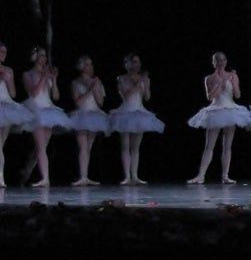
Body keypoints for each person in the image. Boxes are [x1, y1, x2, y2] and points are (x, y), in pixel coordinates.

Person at [187, 51, 251, 184]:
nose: (220, 62)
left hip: (230, 109)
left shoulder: (232, 75)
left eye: (223, 60)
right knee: (209, 145)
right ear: (213, 62)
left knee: (227, 145)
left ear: (226, 61)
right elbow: (209, 97)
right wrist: (220, 84)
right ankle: (201, 175)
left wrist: (233, 81)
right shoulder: (209, 78)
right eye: (217, 60)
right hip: (216, 109)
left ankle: (225, 176)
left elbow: (238, 95)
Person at [109, 53, 164, 185]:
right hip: (125, 112)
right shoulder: (121, 79)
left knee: (135, 147)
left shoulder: (144, 79)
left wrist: (145, 83)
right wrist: (139, 82)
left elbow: (147, 98)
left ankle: (135, 176)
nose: (136, 64)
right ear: (127, 64)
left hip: (139, 112)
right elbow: (126, 96)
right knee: (125, 145)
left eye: (137, 62)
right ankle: (127, 177)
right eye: (133, 62)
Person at [22, 47, 71, 187]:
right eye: (41, 55)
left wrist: (54, 80)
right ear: (35, 57)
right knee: (41, 146)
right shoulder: (28, 74)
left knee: (41, 147)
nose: (44, 58)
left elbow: (56, 96)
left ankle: (27, 171)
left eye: (45, 55)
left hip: (49, 111)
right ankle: (45, 178)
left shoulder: (48, 74)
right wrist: (43, 76)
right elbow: (34, 93)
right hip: (35, 110)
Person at [68, 55, 110, 186]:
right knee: (83, 146)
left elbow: (100, 102)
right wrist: (90, 89)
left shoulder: (97, 81)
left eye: (91, 64)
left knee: (89, 147)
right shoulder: (75, 82)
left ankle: (85, 176)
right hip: (81, 115)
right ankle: (82, 176)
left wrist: (95, 87)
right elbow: (78, 102)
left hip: (94, 115)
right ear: (81, 67)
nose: (91, 67)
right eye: (87, 64)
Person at [0, 42, 34, 187]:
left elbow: (13, 93)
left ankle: (1, 177)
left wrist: (7, 80)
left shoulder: (8, 70)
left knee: (0, 144)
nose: (3, 54)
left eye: (5, 52)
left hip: (7, 107)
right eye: (1, 51)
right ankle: (0, 177)